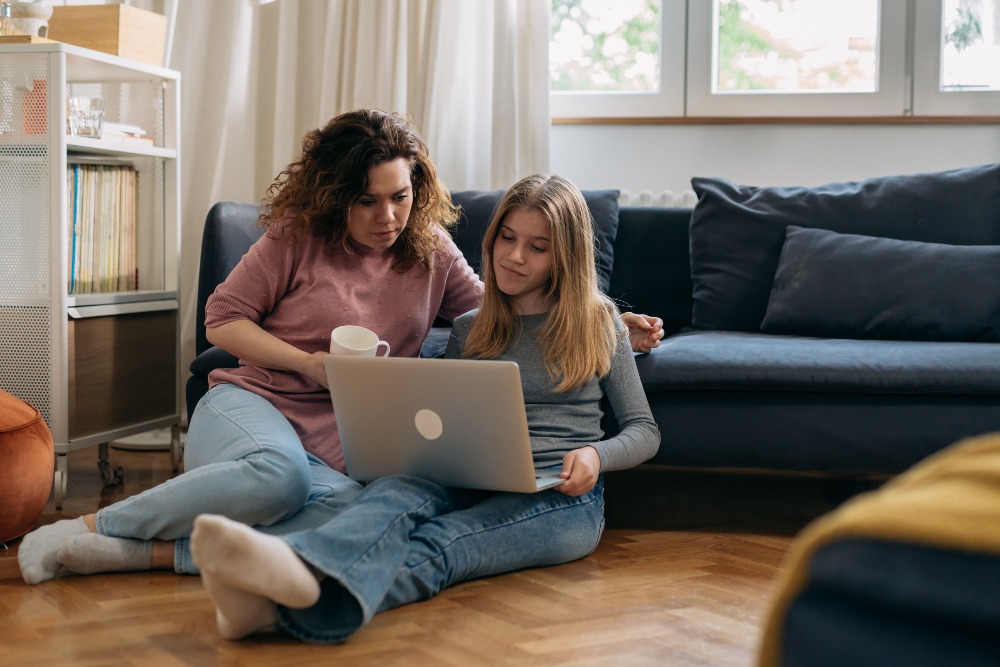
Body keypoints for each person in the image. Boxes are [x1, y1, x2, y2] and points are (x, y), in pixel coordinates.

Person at [18, 111, 663, 585]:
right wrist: (305, 363)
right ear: (335, 197)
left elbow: (504, 311)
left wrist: (610, 320)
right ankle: (91, 528)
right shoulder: (297, 236)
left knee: (364, 519)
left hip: (345, 436)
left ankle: (139, 554)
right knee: (280, 476)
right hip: (257, 402)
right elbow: (221, 319)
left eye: (402, 197)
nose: (389, 216)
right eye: (368, 201)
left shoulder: (432, 248)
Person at [189, 173, 661, 643]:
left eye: (538, 248)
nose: (515, 256)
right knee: (391, 496)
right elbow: (444, 416)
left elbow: (644, 430)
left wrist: (597, 456)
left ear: (565, 258)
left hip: (559, 497)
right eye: (508, 238)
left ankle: (280, 602)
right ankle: (282, 579)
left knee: (444, 544)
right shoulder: (471, 326)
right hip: (470, 478)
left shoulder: (601, 324)